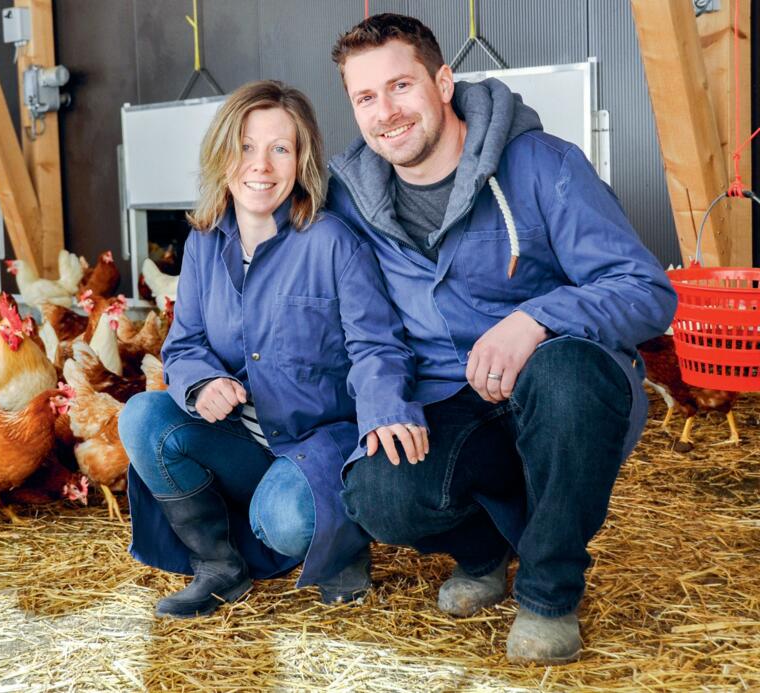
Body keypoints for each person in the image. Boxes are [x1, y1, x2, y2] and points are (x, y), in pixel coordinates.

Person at [324, 14, 677, 663]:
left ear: (444, 81)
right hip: (452, 403)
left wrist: (535, 319)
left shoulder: (543, 166)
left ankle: (547, 592)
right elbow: (368, 328)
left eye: (401, 86)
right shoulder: (353, 201)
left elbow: (648, 290)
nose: (386, 113)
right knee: (376, 490)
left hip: (555, 389)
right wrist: (380, 398)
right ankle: (485, 551)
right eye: (365, 97)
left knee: (568, 377)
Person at [118, 80, 420, 618]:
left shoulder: (331, 241)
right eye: (247, 147)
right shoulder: (206, 241)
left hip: (316, 440)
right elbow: (183, 342)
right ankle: (219, 568)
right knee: (142, 417)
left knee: (284, 521)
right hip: (243, 441)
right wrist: (201, 382)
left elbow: (377, 345)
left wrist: (389, 412)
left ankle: (342, 548)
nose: (261, 164)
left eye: (280, 148)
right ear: (224, 155)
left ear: (301, 161)